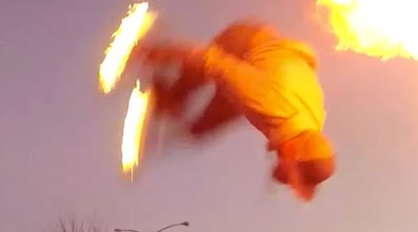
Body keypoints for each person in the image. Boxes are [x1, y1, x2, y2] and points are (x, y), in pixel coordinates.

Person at [131, 20, 336, 202]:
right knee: (200, 79)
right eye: (288, 177)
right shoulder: (270, 104)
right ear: (293, 151)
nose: (285, 181)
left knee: (202, 128)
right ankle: (168, 89)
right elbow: (211, 60)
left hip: (273, 68)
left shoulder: (313, 123)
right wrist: (153, 53)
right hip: (243, 42)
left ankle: (180, 109)